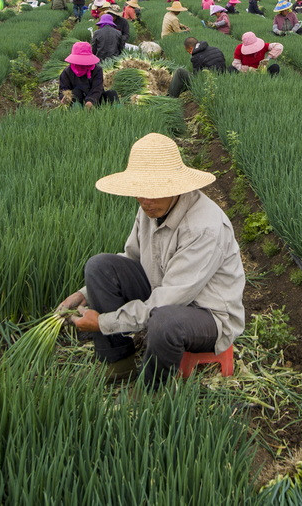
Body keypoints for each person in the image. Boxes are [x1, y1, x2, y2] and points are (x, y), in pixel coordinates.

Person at [59, 132, 245, 388]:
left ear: (175, 186)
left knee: (164, 321)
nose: (146, 201)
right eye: (140, 192)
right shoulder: (150, 206)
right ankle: (118, 362)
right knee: (99, 267)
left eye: (154, 192)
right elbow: (131, 257)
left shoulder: (204, 227)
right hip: (162, 293)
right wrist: (85, 293)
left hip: (207, 314)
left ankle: (152, 390)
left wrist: (102, 323)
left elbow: (169, 300)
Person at [167, 37, 234, 98]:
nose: (190, 53)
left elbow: (197, 76)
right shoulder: (216, 49)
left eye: (188, 51)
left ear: (190, 48)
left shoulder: (196, 56)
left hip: (209, 84)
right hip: (221, 80)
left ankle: (170, 97)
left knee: (180, 72)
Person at [58, 42, 118, 108]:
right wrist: (65, 97)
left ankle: (118, 114)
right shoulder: (67, 72)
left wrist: (90, 100)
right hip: (77, 101)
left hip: (96, 100)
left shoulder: (97, 70)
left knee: (112, 94)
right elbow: (63, 89)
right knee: (76, 92)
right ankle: (78, 114)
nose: (82, 64)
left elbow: (97, 88)